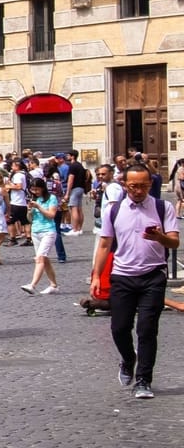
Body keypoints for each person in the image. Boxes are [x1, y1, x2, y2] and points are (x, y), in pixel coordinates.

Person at [96, 162, 179, 399]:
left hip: (153, 275)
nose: (138, 190)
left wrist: (160, 237)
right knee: (119, 327)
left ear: (150, 184)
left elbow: (174, 243)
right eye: (133, 186)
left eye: (143, 186)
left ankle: (143, 380)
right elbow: (104, 244)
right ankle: (128, 358)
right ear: (124, 185)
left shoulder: (163, 208)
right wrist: (95, 275)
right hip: (122, 275)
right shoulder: (113, 209)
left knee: (147, 329)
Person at [22, 177, 60, 296]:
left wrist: (38, 207)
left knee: (40, 257)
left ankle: (32, 285)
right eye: (33, 190)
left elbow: (51, 215)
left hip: (48, 231)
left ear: (43, 188)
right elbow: (30, 219)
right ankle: (53, 285)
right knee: (45, 259)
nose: (35, 192)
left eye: (37, 189)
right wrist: (29, 210)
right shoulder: (34, 199)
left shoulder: (51, 198)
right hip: (35, 231)